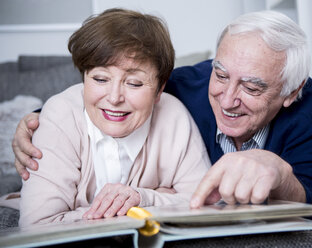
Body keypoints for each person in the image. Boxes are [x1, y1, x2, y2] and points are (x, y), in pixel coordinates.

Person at [11, 11, 312, 217]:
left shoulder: (310, 110)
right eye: (220, 75)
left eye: (252, 88)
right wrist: (39, 118)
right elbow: (113, 97)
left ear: (290, 93)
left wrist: (279, 174)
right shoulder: (186, 86)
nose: (227, 99)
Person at [3, 8, 210, 227]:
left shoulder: (175, 116)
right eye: (100, 79)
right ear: (84, 78)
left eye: (134, 83)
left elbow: (207, 206)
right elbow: (37, 226)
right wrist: (147, 206)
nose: (114, 98)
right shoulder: (60, 115)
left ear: (159, 89)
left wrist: (144, 197)